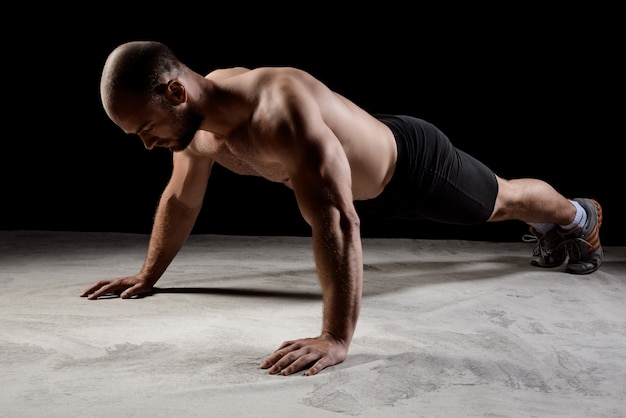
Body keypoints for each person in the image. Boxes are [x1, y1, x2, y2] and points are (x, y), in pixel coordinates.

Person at [81, 41, 603, 376]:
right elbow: (180, 199)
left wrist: (335, 337)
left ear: (175, 91)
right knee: (496, 202)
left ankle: (577, 218)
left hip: (414, 170)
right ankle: (560, 222)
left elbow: (336, 220)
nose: (147, 145)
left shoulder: (279, 110)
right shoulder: (198, 132)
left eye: (146, 130)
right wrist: (148, 274)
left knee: (501, 201)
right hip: (361, 166)